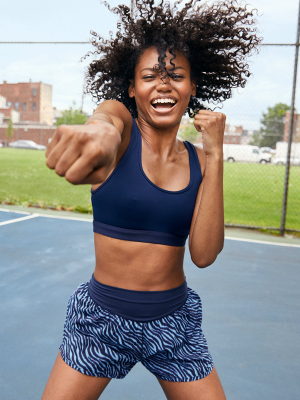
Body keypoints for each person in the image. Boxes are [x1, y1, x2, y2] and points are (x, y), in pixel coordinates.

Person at [42, 1, 260, 399]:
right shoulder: (121, 130)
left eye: (176, 76)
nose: (163, 84)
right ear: (131, 88)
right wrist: (97, 137)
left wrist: (215, 156)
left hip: (174, 324)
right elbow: (106, 121)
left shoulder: (198, 160)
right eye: (149, 77)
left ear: (193, 87)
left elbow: (204, 254)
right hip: (100, 321)